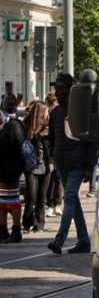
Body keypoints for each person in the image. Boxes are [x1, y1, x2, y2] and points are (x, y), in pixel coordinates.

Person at [47, 72, 99, 255]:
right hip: (62, 163)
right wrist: (53, 155)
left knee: (69, 198)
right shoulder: (55, 113)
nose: (56, 92)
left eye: (60, 88)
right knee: (73, 201)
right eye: (55, 88)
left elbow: (92, 140)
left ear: (70, 89)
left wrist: (89, 167)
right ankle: (84, 241)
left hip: (77, 163)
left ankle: (59, 240)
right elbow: (52, 139)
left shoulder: (82, 110)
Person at [21, 100, 51, 233]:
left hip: (46, 165)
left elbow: (53, 144)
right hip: (31, 166)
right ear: (40, 113)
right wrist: (40, 135)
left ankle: (39, 224)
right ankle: (26, 223)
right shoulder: (28, 127)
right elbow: (26, 142)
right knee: (31, 196)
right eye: (46, 112)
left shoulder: (50, 126)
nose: (48, 115)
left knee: (42, 196)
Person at [0, 96, 27, 243]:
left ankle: (16, 230)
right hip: (10, 168)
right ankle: (3, 230)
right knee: (3, 201)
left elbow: (5, 147)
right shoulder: (17, 124)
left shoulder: (11, 126)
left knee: (12, 201)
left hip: (9, 168)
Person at [44, 91, 63, 218]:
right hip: (50, 151)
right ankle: (51, 204)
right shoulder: (46, 116)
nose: (53, 107)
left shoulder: (58, 115)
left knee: (58, 178)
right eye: (51, 104)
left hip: (57, 150)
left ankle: (56, 204)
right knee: (51, 179)